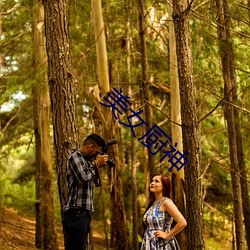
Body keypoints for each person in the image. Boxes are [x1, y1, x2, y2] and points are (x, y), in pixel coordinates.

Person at [62, 134, 108, 250]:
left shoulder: (85, 162)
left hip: (82, 214)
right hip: (76, 213)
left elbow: (94, 182)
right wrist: (96, 164)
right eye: (97, 152)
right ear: (90, 147)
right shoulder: (75, 156)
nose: (97, 156)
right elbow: (84, 177)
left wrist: (97, 166)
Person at [141, 173, 187, 250]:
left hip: (162, 245)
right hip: (149, 244)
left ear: (164, 187)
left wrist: (167, 235)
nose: (152, 183)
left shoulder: (166, 202)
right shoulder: (152, 204)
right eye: (152, 181)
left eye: (156, 181)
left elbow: (182, 222)